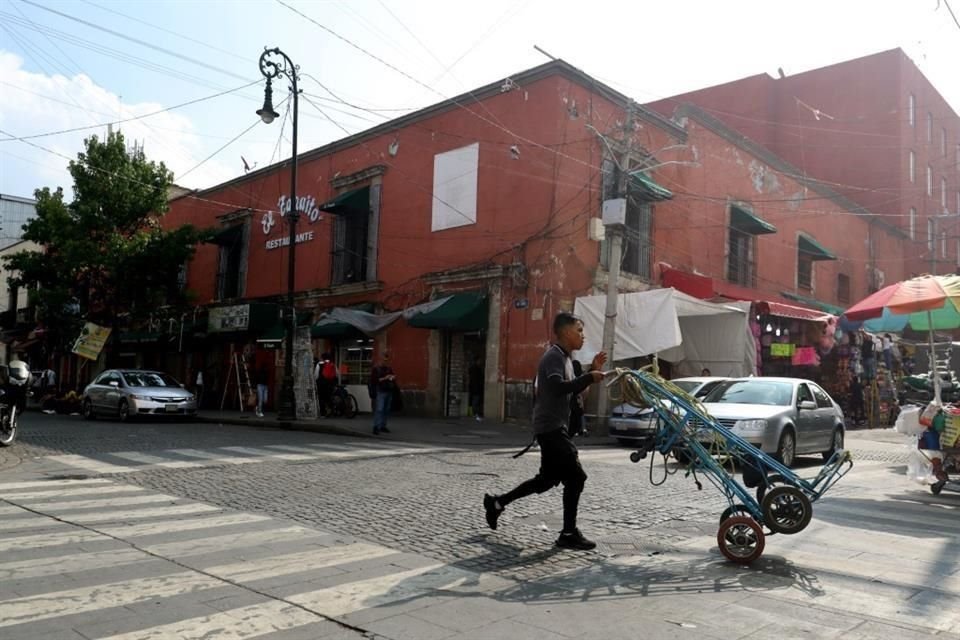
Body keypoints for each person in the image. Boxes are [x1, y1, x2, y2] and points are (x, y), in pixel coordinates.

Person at [483, 312, 607, 551]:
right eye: (579, 330)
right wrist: (589, 377)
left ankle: (496, 503)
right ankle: (568, 533)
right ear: (565, 332)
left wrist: (591, 372)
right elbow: (557, 387)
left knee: (546, 481)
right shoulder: (553, 357)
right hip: (550, 428)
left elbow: (576, 395)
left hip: (555, 428)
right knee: (577, 477)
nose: (583, 336)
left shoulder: (568, 360)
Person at [370, 351, 397, 435]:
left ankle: (383, 426)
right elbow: (374, 381)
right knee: (379, 409)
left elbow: (393, 377)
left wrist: (392, 377)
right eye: (384, 360)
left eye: (387, 360)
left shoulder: (389, 368)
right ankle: (376, 426)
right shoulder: (376, 369)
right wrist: (385, 378)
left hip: (388, 390)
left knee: (386, 409)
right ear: (380, 360)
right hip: (380, 391)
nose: (385, 362)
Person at [569, 359, 587, 436]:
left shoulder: (571, 376)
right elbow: (585, 391)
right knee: (580, 413)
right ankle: (582, 428)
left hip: (572, 401)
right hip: (577, 399)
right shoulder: (580, 377)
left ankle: (580, 429)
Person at [468, 355, 484, 422]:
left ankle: (473, 413)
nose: (480, 362)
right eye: (480, 360)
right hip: (476, 387)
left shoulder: (472, 368)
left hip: (473, 387)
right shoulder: (476, 369)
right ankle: (475, 414)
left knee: (474, 400)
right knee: (475, 401)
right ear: (477, 361)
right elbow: (478, 379)